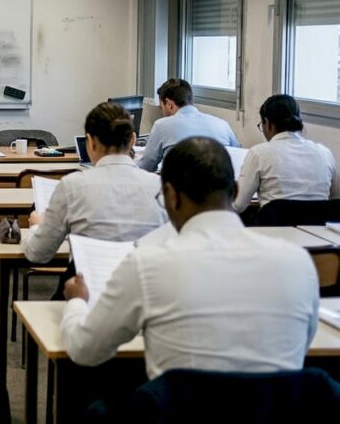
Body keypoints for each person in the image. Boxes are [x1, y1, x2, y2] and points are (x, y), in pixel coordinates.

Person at [61, 137, 318, 380]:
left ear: (171, 196)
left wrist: (76, 301)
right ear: (236, 189)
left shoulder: (147, 265)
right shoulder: (299, 262)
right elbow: (302, 345)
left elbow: (85, 350)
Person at [26, 103, 167, 267]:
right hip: (143, 288)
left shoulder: (72, 187)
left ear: (91, 142)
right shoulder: (160, 187)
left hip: (86, 289)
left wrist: (37, 226)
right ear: (133, 140)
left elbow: (37, 254)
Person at [234, 94, 340, 212]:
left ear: (267, 123)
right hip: (316, 229)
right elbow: (335, 200)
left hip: (272, 229)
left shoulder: (259, 154)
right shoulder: (325, 154)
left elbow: (237, 205)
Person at [136, 78, 239, 172]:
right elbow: (239, 156)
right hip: (218, 189)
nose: (161, 111)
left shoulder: (162, 125)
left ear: (169, 104)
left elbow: (146, 166)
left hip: (180, 189)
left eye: (161, 107)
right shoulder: (222, 125)